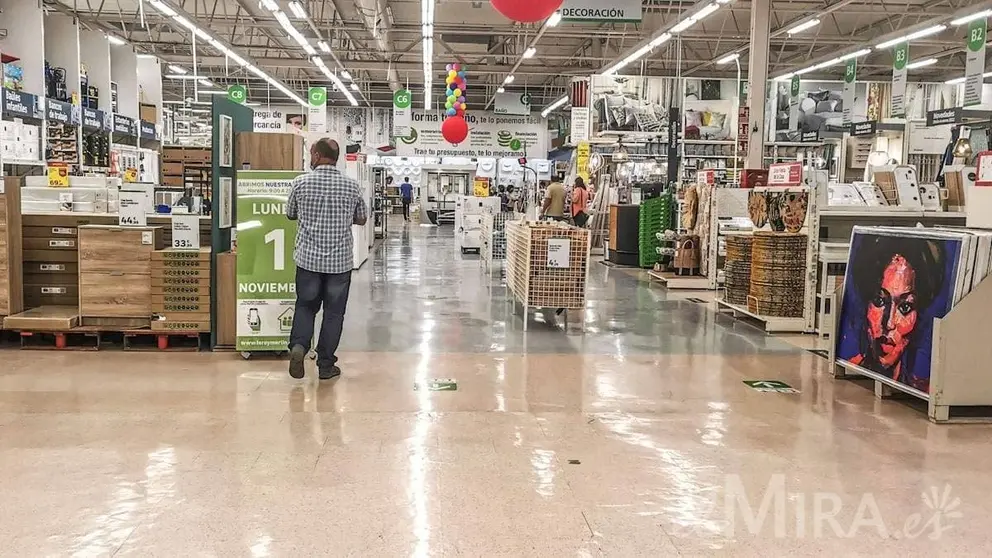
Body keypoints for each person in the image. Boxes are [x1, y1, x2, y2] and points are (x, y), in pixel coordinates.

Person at [286, 138, 367, 380]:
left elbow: (290, 214)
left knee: (305, 306)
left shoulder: (300, 183)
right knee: (333, 313)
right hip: (339, 263)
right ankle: (325, 365)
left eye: (311, 154)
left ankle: (299, 347)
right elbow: (362, 218)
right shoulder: (351, 186)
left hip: (308, 260)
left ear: (318, 155)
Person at [843, 234, 945, 393]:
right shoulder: (846, 369)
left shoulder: (925, 389)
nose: (888, 323)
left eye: (905, 307)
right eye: (879, 301)